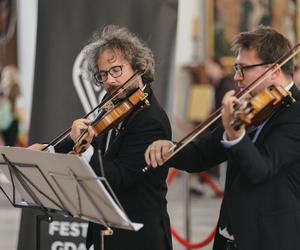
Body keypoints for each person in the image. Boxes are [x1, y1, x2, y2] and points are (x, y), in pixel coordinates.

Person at [145, 26, 300, 250]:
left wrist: (236, 135)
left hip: (271, 239)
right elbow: (201, 155)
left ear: (273, 70)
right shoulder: (248, 105)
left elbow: (261, 169)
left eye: (242, 68)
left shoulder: (296, 112)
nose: (236, 76)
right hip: (230, 236)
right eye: (236, 68)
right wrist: (170, 149)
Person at [30, 25, 172, 250]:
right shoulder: (114, 103)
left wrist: (84, 148)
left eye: (116, 70)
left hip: (138, 237)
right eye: (103, 74)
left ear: (138, 67)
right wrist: (48, 151)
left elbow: (120, 177)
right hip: (105, 232)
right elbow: (93, 132)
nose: (110, 81)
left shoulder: (150, 120)